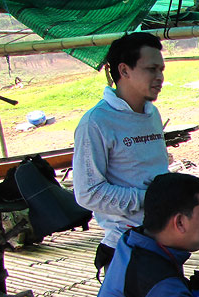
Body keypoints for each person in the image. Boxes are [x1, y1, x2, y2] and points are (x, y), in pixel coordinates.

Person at [73, 32, 169, 278]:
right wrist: (147, 199)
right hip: (125, 245)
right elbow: (87, 193)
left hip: (163, 235)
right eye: (151, 69)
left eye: (161, 69)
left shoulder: (152, 113)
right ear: (124, 70)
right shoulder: (96, 122)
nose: (160, 77)